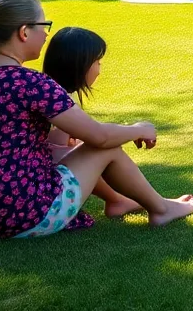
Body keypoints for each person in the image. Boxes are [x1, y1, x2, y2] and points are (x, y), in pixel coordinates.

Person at [0, 0, 193, 238]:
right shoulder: (31, 83)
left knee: (62, 151)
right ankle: (161, 209)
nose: (47, 35)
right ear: (24, 32)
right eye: (44, 26)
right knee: (104, 148)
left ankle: (122, 201)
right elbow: (100, 137)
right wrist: (139, 128)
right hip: (17, 218)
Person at [42, 27, 143, 218]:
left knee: (87, 146)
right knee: (98, 148)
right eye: (97, 62)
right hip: (45, 186)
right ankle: (117, 200)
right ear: (80, 65)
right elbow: (56, 152)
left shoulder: (56, 93)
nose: (99, 69)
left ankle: (118, 199)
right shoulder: (60, 101)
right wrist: (136, 131)